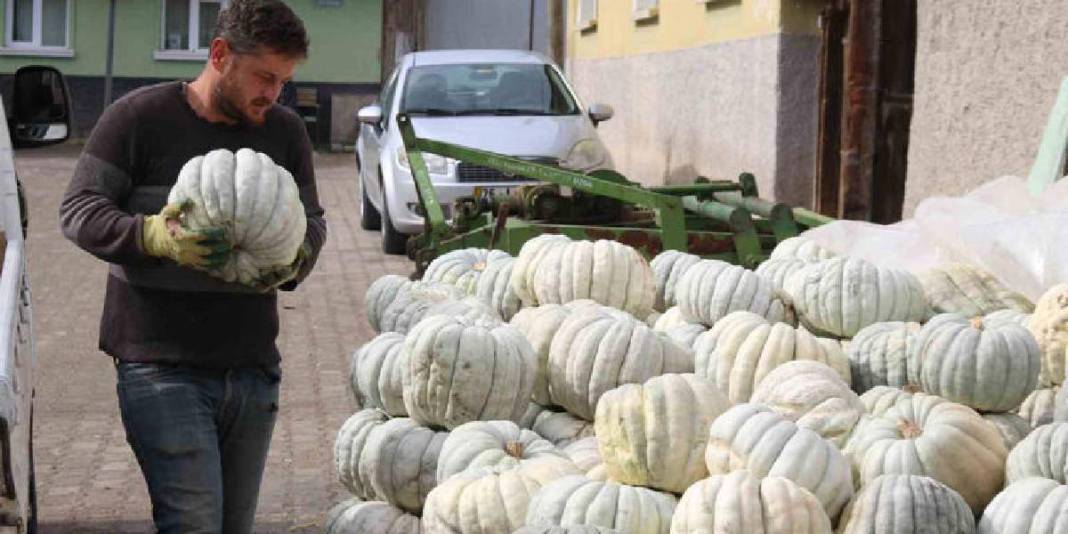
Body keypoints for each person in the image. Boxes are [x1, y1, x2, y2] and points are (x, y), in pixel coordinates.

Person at [57, 1, 326, 532]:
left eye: (284, 81)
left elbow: (313, 220)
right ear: (221, 55)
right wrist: (151, 234)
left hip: (252, 369)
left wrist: (293, 260)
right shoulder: (138, 118)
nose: (274, 95)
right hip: (161, 369)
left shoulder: (285, 133)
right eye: (264, 77)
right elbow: (78, 210)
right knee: (194, 523)